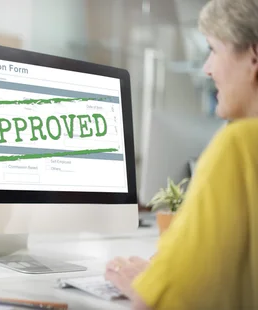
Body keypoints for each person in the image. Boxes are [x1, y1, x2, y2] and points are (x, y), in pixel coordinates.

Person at [104, 0, 258, 309]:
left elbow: (167, 301)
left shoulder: (239, 144)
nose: (207, 67)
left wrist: (151, 282)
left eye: (214, 49)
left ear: (253, 56)